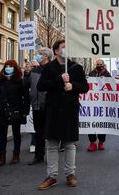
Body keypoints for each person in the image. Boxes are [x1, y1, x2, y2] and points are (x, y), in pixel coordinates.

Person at [37, 40, 89, 190]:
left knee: (69, 144)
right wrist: (59, 80)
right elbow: (41, 86)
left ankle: (70, 174)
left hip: (69, 110)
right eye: (63, 47)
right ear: (56, 51)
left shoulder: (76, 68)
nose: (67, 50)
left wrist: (73, 86)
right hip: (53, 109)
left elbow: (85, 87)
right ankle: (51, 176)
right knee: (52, 144)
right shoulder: (48, 67)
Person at [0, 60, 30, 167]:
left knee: (16, 133)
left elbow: (26, 97)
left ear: (15, 68)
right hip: (2, 110)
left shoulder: (19, 81)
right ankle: (2, 156)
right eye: (6, 66)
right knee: (2, 134)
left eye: (11, 66)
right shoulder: (1, 81)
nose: (8, 68)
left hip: (15, 110)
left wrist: (24, 111)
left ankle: (16, 154)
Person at [24, 47, 53, 165]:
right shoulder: (34, 70)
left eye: (40, 54)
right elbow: (25, 85)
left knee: (50, 133)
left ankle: (51, 157)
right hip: (35, 105)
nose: (37, 56)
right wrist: (27, 73)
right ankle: (38, 155)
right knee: (38, 131)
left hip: (47, 104)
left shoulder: (51, 68)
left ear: (46, 56)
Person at [87, 59, 111, 152]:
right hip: (92, 103)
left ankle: (101, 141)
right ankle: (92, 142)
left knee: (102, 123)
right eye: (97, 64)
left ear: (103, 65)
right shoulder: (91, 73)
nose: (99, 65)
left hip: (103, 103)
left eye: (101, 64)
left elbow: (112, 86)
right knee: (91, 123)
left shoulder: (107, 74)